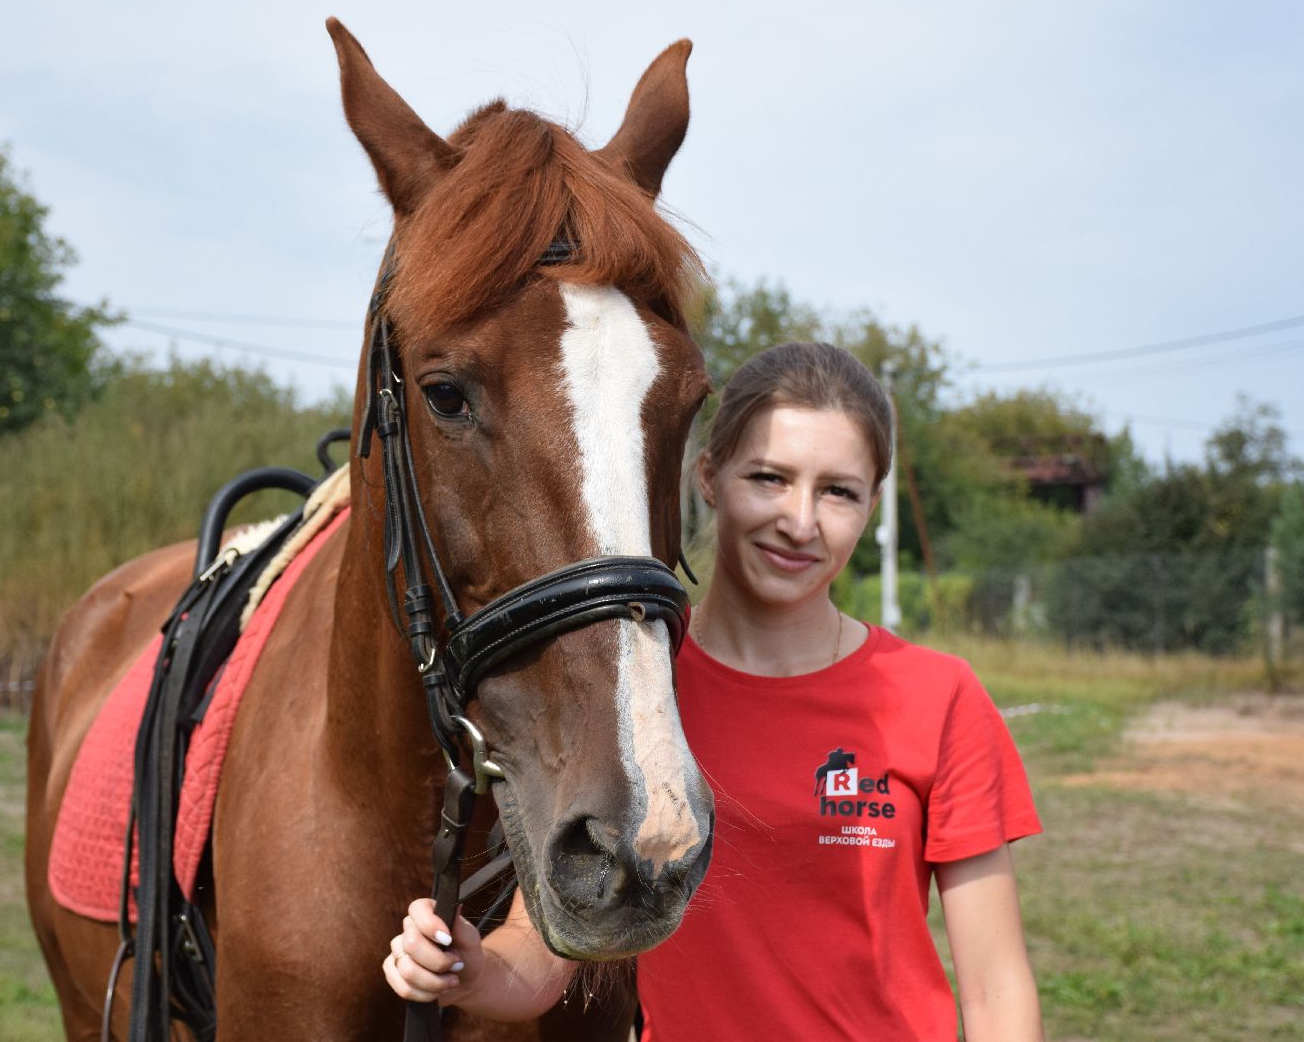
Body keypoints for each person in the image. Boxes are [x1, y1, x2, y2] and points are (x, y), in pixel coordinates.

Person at [383, 342, 1045, 1039]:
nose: (799, 520)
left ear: (873, 504)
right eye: (768, 478)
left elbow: (998, 990)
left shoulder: (938, 696)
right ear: (707, 474)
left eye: (838, 491)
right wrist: (470, 970)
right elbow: (542, 963)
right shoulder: (638, 693)